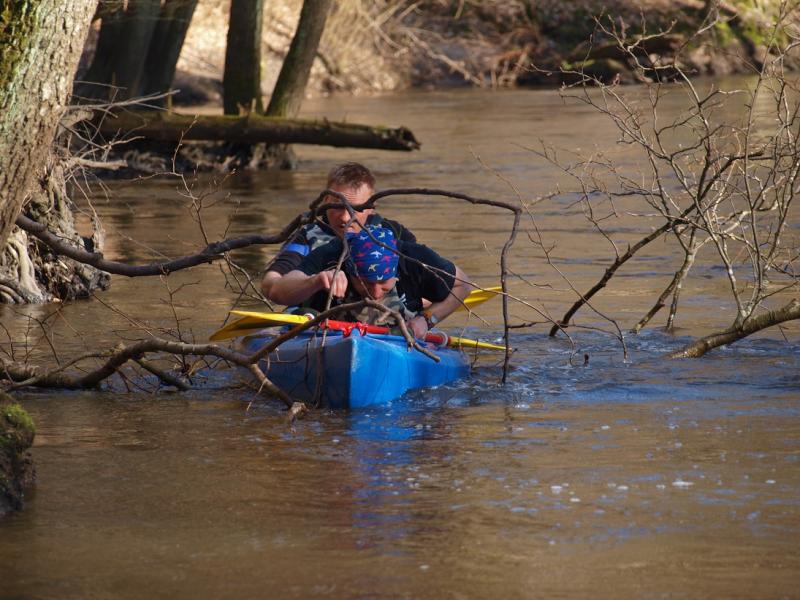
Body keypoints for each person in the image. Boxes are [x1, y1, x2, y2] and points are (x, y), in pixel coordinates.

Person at [267, 225, 471, 339]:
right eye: (364, 282)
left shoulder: (414, 258)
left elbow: (463, 285)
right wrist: (314, 281)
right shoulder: (333, 254)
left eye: (383, 283)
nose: (374, 293)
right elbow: (277, 292)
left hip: (398, 337)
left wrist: (427, 320)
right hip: (328, 338)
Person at [261, 162, 416, 301]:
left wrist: (423, 317)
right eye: (337, 206)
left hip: (385, 319)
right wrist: (314, 281)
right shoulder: (307, 236)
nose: (344, 217)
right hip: (320, 321)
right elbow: (270, 285)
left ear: (371, 208)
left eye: (355, 209)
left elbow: (429, 286)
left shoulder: (395, 233)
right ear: (325, 201)